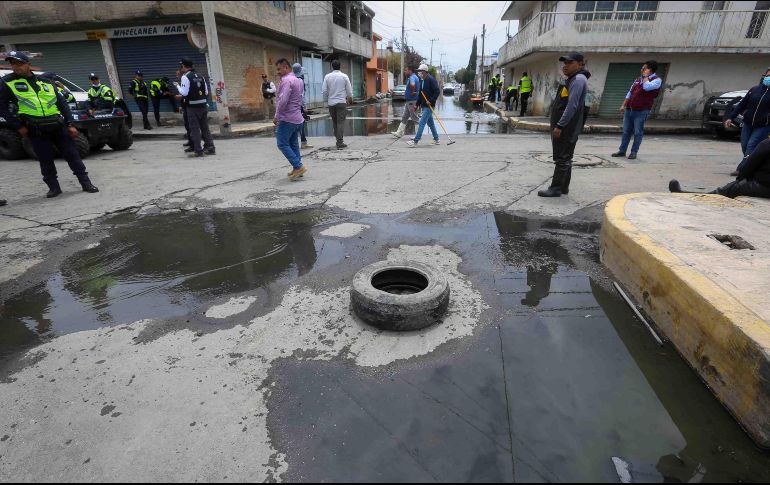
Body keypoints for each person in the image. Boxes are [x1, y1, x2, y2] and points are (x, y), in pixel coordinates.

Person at [0, 51, 99, 198]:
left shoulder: (45, 81)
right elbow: (2, 107)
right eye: (13, 63)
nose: (16, 66)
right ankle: (54, 187)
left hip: (57, 125)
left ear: (28, 64)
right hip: (35, 128)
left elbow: (62, 103)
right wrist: (18, 126)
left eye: (19, 63)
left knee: (73, 155)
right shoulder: (7, 82)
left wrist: (70, 124)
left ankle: (86, 183)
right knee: (45, 160)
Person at [538, 53, 590, 198]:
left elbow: (572, 106)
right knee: (566, 157)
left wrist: (560, 125)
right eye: (564, 63)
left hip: (568, 126)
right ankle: (563, 187)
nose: (565, 66)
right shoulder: (573, 79)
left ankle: (555, 188)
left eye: (569, 63)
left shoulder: (578, 80)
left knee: (562, 157)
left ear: (580, 64)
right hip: (567, 124)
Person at [670, 137, 770, 199]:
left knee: (728, 189)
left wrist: (740, 179)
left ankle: (696, 196)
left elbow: (748, 167)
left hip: (763, 185)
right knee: (735, 185)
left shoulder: (766, 144)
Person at [611, 61, 662, 160]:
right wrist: (623, 105)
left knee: (638, 132)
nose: (642, 70)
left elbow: (647, 87)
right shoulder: (638, 79)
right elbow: (630, 93)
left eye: (644, 68)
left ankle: (634, 152)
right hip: (629, 109)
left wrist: (645, 77)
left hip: (641, 111)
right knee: (626, 131)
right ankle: (622, 151)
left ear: (650, 69)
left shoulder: (657, 80)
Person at [726, 67, 770, 175]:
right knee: (745, 145)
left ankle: (742, 169)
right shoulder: (754, 90)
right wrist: (731, 117)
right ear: (764, 76)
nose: (768, 78)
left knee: (751, 145)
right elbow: (742, 104)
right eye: (768, 75)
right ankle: (755, 165)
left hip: (763, 126)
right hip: (748, 123)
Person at [274, 58, 307, 180]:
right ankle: (297, 169)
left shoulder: (286, 81)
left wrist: (277, 116)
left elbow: (282, 101)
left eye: (279, 69)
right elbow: (301, 98)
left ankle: (298, 166)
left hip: (287, 119)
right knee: (293, 144)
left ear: (286, 67)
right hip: (297, 118)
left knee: (282, 143)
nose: (277, 72)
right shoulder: (297, 80)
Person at [174, 58, 214, 157]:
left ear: (183, 66)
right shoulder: (200, 76)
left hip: (192, 107)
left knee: (194, 129)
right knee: (205, 128)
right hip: (203, 106)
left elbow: (184, 93)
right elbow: (206, 92)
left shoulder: (185, 77)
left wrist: (177, 86)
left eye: (181, 66)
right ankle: (210, 147)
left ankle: (198, 150)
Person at [406, 64, 440, 148]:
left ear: (424, 71)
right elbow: (421, 95)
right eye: (418, 71)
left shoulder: (431, 79)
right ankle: (436, 139)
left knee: (422, 122)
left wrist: (431, 101)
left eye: (420, 71)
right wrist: (417, 105)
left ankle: (415, 141)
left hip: (429, 106)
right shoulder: (422, 81)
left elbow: (437, 91)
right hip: (424, 105)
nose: (419, 73)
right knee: (431, 124)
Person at [322, 59, 353, 150]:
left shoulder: (327, 76)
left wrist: (330, 96)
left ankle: (338, 140)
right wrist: (349, 98)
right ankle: (340, 142)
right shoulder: (344, 76)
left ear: (332, 66)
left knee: (335, 122)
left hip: (331, 103)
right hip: (341, 102)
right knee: (340, 122)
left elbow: (324, 90)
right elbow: (349, 91)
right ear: (340, 66)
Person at [391, 65, 420, 138]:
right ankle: (399, 132)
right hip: (409, 101)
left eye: (406, 70)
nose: (405, 72)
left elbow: (412, 85)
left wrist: (412, 92)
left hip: (412, 101)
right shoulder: (415, 77)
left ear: (410, 70)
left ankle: (418, 135)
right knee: (404, 117)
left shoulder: (412, 77)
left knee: (414, 117)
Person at [292, 63, 313, 150]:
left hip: (292, 105)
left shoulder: (292, 80)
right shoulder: (300, 81)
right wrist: (304, 106)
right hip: (299, 105)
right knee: (301, 123)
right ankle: (303, 143)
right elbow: (301, 95)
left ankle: (297, 142)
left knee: (293, 123)